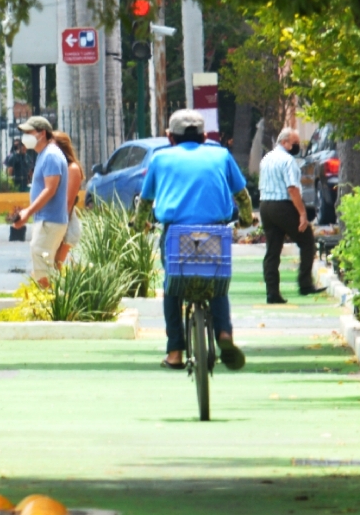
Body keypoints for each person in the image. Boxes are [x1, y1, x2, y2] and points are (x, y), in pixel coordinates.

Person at [135, 109, 253, 370]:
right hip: (215, 232)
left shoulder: (160, 158)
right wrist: (245, 221)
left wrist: (138, 224)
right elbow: (243, 196)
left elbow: (145, 202)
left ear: (170, 137)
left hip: (176, 234)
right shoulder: (221, 155)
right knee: (217, 282)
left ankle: (175, 351)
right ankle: (224, 334)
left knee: (172, 288)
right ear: (203, 136)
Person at [258, 127, 325, 303]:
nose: (298, 147)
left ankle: (272, 292)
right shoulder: (288, 161)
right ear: (285, 142)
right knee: (307, 241)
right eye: (295, 143)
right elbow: (292, 189)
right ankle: (305, 284)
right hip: (283, 206)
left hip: (265, 205)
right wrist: (302, 213)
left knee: (272, 250)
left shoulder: (266, 159)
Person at [11, 117, 68, 287]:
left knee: (41, 261)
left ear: (42, 133)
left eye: (29, 132)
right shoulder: (45, 155)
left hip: (50, 220)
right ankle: (51, 302)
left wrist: (27, 211)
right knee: (44, 264)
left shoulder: (50, 155)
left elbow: (50, 189)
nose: (25, 137)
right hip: (47, 220)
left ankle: (49, 303)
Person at [51, 131, 83, 269]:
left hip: (66, 225)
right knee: (48, 267)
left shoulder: (73, 169)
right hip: (57, 223)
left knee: (54, 267)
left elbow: (68, 204)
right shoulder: (58, 168)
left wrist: (57, 231)